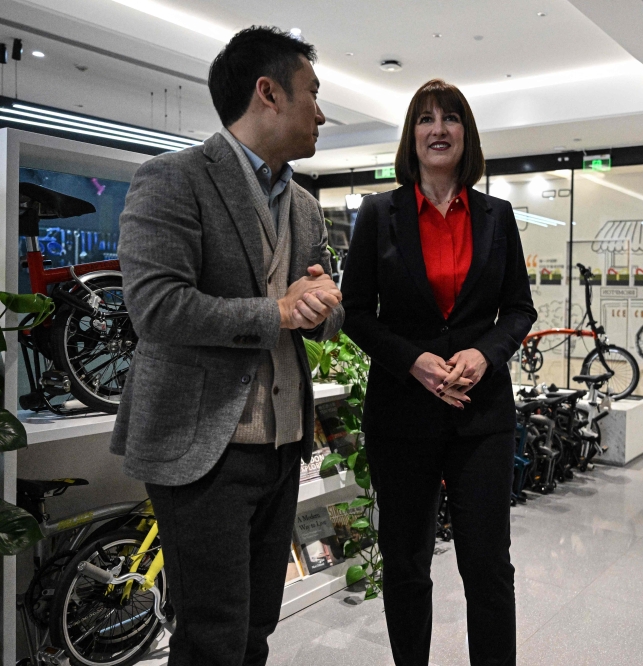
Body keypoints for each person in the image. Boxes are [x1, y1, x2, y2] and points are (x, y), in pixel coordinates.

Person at [111, 26, 344, 666]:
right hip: (201, 445)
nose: (322, 114)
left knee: (255, 629)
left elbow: (317, 302)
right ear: (268, 93)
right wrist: (277, 309)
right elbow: (156, 306)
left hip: (283, 444)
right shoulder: (173, 178)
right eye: (313, 94)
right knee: (212, 634)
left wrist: (324, 307)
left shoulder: (302, 204)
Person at [341, 79, 537, 666]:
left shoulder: (497, 215)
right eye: (425, 119)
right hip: (402, 414)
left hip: (482, 418)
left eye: (451, 118)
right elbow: (356, 313)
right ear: (412, 135)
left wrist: (485, 354)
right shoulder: (379, 214)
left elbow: (520, 308)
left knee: (487, 566)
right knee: (405, 564)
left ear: (466, 134)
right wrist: (412, 360)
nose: (438, 128)